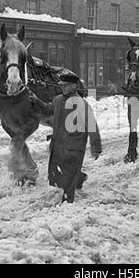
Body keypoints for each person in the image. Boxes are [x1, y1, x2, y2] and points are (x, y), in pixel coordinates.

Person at [45, 72, 102, 203]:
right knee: (57, 176)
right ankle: (79, 178)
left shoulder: (81, 104)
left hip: (74, 148)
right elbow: (47, 110)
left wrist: (96, 147)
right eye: (61, 86)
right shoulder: (58, 100)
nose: (62, 88)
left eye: (65, 86)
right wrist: (35, 101)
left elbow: (92, 126)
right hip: (58, 146)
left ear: (74, 86)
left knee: (68, 180)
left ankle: (67, 204)